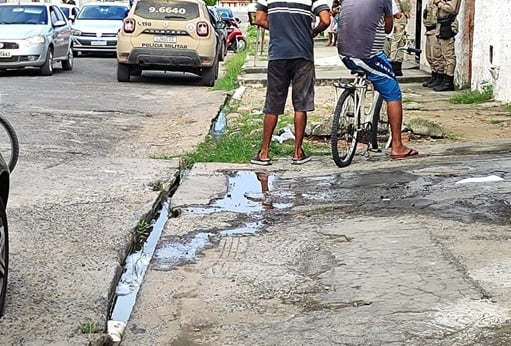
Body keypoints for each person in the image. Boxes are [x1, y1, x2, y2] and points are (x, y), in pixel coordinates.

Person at [251, 0, 330, 165]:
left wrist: (280, 31)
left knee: (273, 102)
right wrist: (313, 32)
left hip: (278, 54)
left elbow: (259, 19)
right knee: (301, 103)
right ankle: (297, 152)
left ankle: (264, 153)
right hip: (303, 55)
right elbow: (326, 20)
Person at [337, 0, 418, 159]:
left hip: (344, 54)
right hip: (368, 56)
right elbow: (388, 27)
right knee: (393, 92)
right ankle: (397, 145)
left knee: (374, 74)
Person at [432, 0, 460, 92]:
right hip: (441, 24)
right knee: (441, 54)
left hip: (448, 24)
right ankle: (443, 78)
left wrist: (439, 3)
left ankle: (448, 81)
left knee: (448, 55)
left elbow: (451, 8)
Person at [422, 0, 444, 88]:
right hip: (428, 29)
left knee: (436, 55)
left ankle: (440, 76)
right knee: (429, 56)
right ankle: (434, 74)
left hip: (436, 29)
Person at [386, 0, 411, 76]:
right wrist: (407, 12)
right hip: (398, 16)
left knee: (398, 41)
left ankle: (396, 66)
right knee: (397, 41)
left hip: (393, 15)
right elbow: (404, 2)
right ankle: (394, 65)